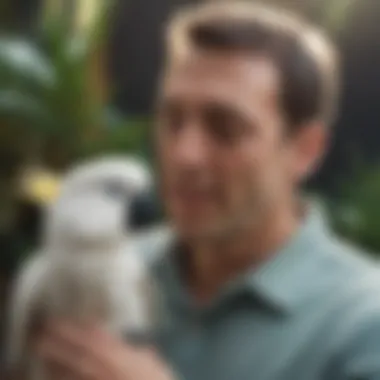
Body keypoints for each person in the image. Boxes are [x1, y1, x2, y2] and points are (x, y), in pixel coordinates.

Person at [33, 2, 380, 380]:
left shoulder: (362, 320)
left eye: (225, 127)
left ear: (304, 150)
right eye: (173, 120)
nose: (185, 154)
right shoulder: (100, 276)